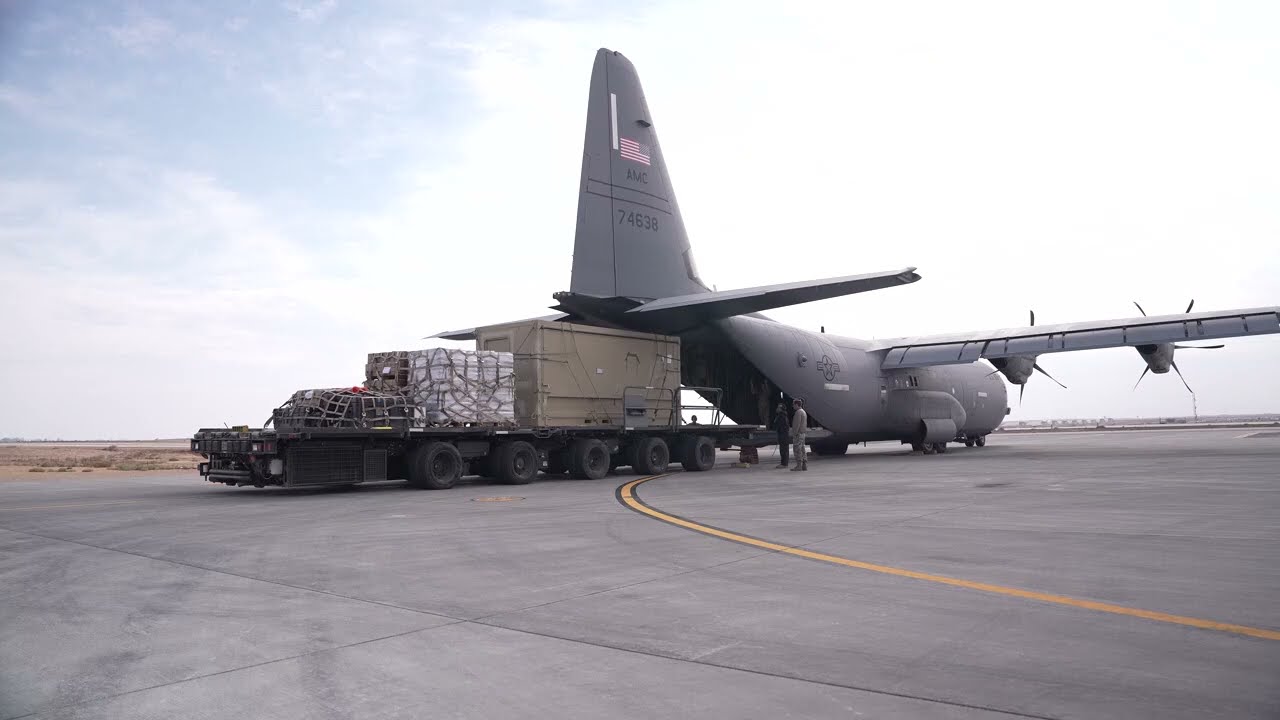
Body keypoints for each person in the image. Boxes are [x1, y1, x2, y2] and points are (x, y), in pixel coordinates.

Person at [790, 398, 808, 471]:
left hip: (798, 434)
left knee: (797, 449)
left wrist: (794, 433)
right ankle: (804, 465)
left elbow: (797, 424)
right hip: (802, 433)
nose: (793, 406)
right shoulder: (803, 412)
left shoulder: (798, 412)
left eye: (794, 405)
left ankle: (799, 465)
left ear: (797, 404)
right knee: (802, 449)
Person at [772, 402, 790, 468]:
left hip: (783, 435)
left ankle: (784, 464)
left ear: (781, 409)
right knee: (783, 450)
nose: (777, 409)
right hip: (783, 435)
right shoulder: (782, 415)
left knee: (783, 450)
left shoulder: (782, 416)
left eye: (778, 407)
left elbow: (780, 426)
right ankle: (784, 463)